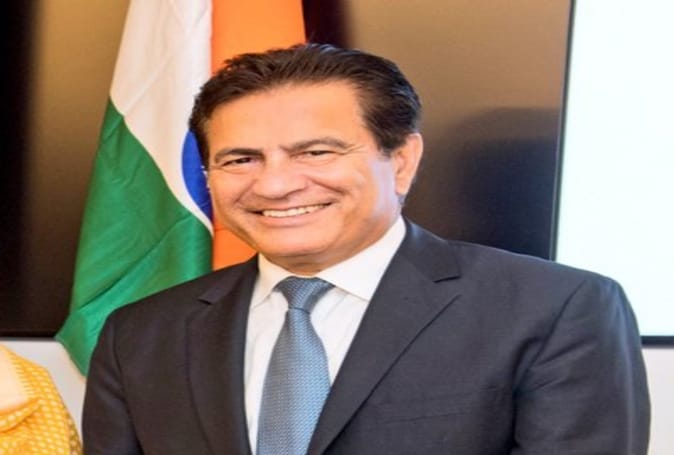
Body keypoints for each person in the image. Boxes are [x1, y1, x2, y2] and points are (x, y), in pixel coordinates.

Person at [83, 43, 650, 454]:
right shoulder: (140, 334)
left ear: (401, 160)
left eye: (315, 152)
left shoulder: (555, 309)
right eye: (241, 159)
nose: (274, 185)